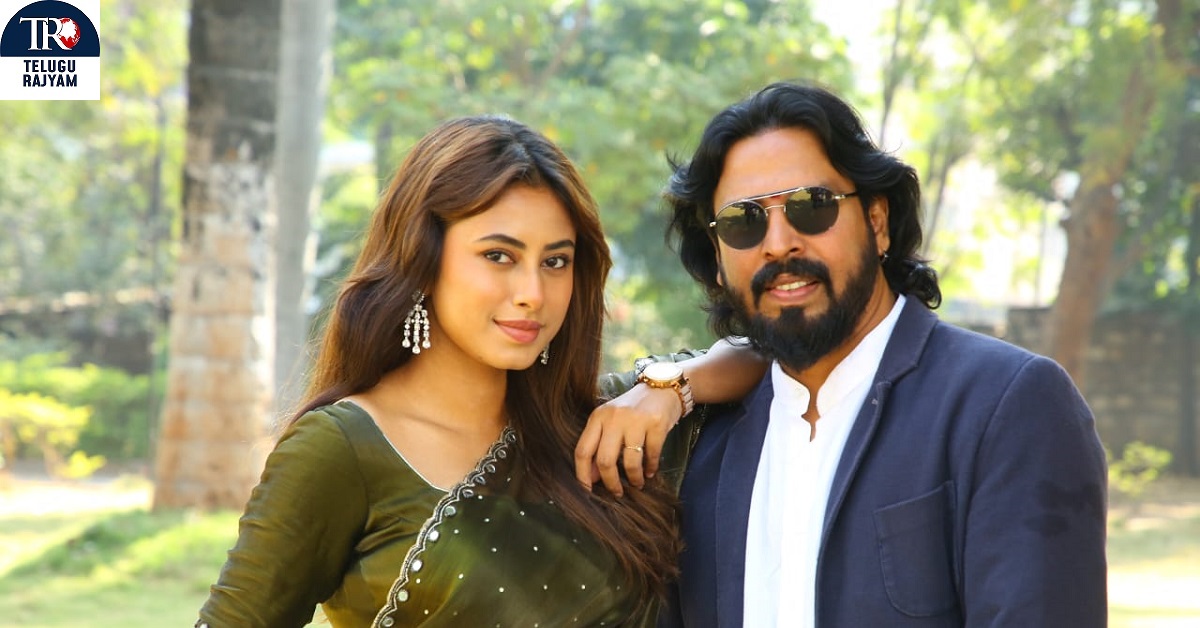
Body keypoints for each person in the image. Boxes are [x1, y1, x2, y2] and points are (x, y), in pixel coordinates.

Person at [195, 115, 765, 628]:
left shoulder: (600, 424)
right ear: (423, 259)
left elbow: (771, 355)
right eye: (499, 256)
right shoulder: (343, 449)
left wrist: (669, 389)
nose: (532, 293)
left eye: (556, 261)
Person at [585, 82, 1109, 627]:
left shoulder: (1005, 405)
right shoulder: (699, 449)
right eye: (744, 221)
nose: (778, 243)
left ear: (877, 222)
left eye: (811, 206)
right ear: (717, 260)